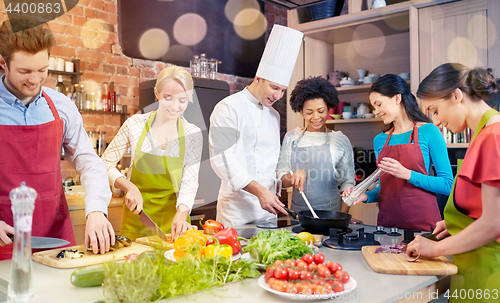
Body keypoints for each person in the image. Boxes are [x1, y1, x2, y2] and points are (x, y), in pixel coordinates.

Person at [0, 19, 114, 259]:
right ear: (3, 63)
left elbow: (87, 160)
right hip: (4, 234)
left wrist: (96, 210)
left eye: (42, 70)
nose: (35, 80)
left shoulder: (61, 106)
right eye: (25, 71)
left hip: (54, 235)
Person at [407, 63, 500, 299]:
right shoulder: (482, 134)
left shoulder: (493, 135)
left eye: (435, 110)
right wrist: (457, 222)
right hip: (473, 266)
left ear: (457, 96)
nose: (436, 122)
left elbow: (494, 223)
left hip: (489, 273)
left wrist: (435, 248)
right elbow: (482, 207)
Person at [209, 25, 303, 227]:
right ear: (258, 79)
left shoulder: (274, 116)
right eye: (274, 88)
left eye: (283, 90)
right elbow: (222, 160)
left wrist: (286, 179)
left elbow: (268, 165)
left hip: (268, 212)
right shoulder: (228, 108)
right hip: (236, 213)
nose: (278, 96)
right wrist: (260, 191)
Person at [101, 65, 202, 240]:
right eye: (168, 98)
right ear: (156, 93)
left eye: (182, 100)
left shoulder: (192, 134)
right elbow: (104, 163)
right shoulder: (135, 125)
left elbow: (190, 182)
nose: (175, 107)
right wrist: (129, 187)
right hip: (136, 223)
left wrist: (181, 214)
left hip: (174, 226)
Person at [350, 74, 453, 231]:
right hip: (387, 226)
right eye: (373, 107)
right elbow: (386, 187)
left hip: (423, 227)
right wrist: (366, 196)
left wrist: (407, 174)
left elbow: (448, 184)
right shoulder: (379, 140)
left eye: (378, 104)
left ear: (397, 98)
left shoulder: (429, 131)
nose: (376, 111)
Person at [277, 76, 356, 216]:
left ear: (328, 109)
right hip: (298, 216)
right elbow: (282, 180)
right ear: (301, 112)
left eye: (321, 111)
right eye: (309, 112)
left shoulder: (339, 140)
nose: (315, 117)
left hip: (331, 215)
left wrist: (343, 217)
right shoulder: (291, 137)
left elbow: (347, 182)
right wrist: (293, 176)